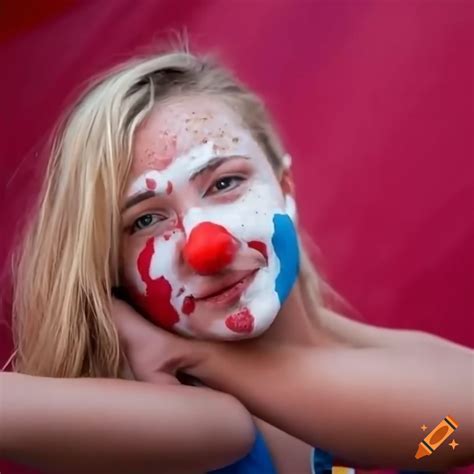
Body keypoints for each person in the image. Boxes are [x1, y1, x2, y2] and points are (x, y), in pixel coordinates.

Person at [5, 50, 473, 473]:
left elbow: (446, 433)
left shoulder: (399, 383)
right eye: (147, 220)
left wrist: (198, 355)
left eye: (225, 184)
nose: (205, 246)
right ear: (112, 268)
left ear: (284, 188)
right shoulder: (193, 425)